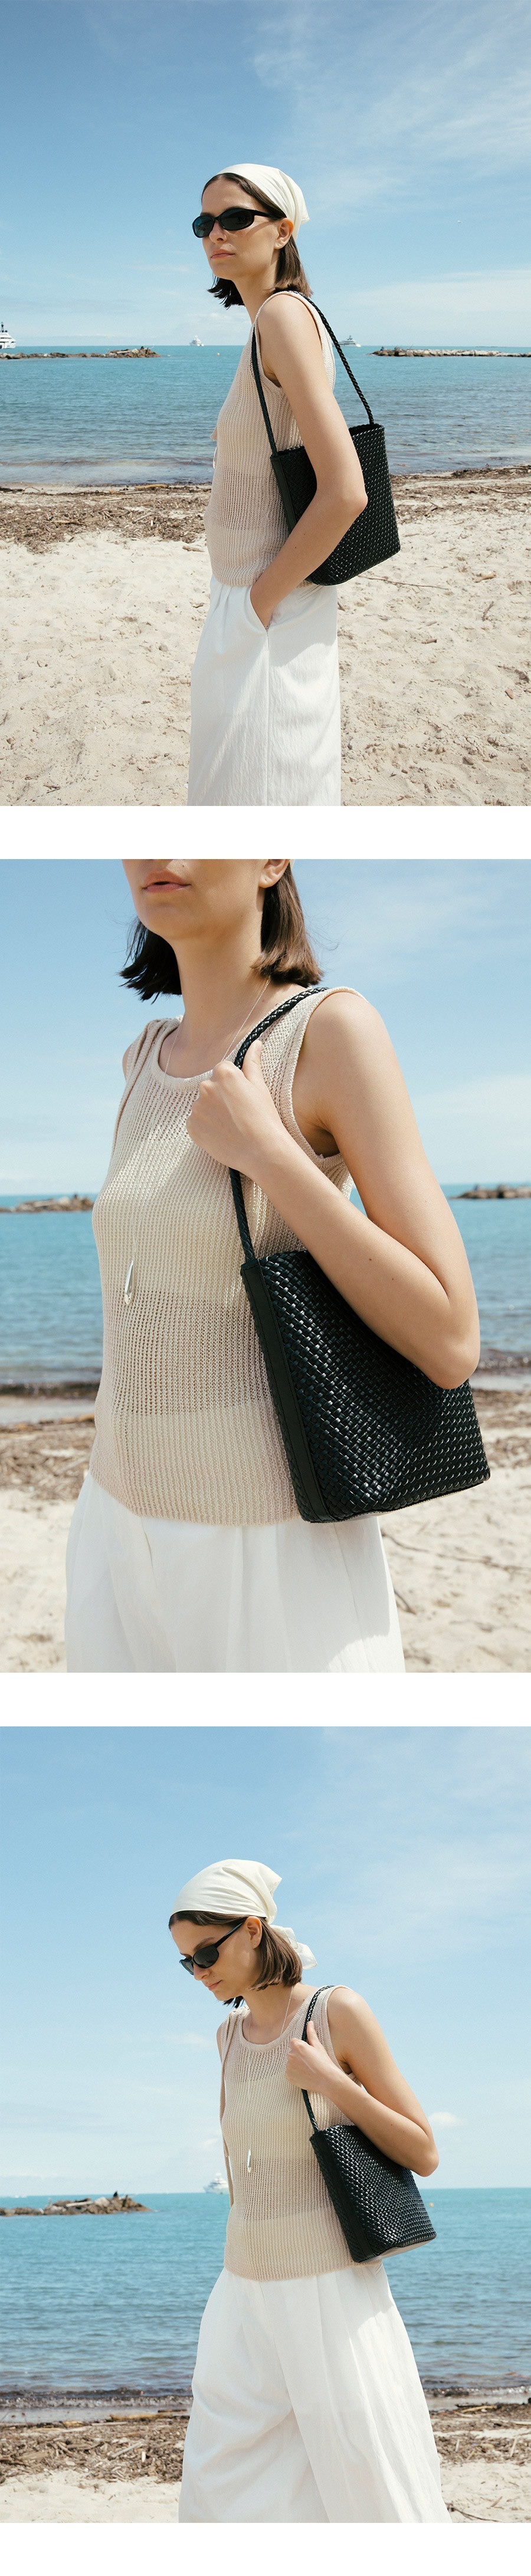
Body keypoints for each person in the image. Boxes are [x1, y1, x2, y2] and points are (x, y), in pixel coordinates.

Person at [64, 859, 480, 1674]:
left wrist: (270, 1155)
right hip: (111, 1521)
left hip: (267, 1540)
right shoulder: (143, 1056)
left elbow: (451, 1338)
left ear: (270, 859)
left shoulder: (329, 1031)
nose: (159, 852)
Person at [170, 1857, 448, 2524]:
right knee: (222, 2474)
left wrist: (332, 2083)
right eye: (186, 1962)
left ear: (253, 1929)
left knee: (365, 2472)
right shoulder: (227, 2036)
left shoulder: (336, 2009)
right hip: (243, 2287)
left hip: (329, 2286)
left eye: (206, 1952)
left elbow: (424, 2151)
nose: (200, 1971)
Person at [187, 163, 368, 805]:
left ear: (283, 231)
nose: (217, 234)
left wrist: (258, 603)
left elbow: (346, 491)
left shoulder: (283, 318)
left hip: (268, 601)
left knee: (252, 801)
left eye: (236, 218)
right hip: (258, 595)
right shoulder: (270, 321)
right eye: (205, 223)